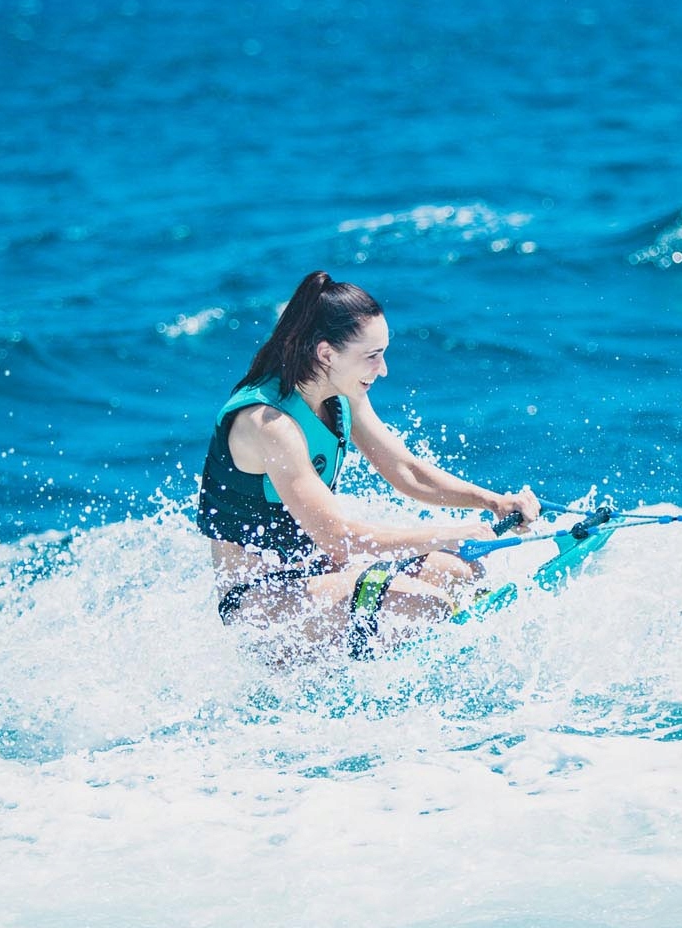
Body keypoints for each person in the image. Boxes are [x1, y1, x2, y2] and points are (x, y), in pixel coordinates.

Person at [197, 270, 539, 658]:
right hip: (260, 603)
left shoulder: (338, 393)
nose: (384, 369)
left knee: (460, 573)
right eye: (372, 356)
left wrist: (494, 502)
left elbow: (407, 471)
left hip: (318, 572)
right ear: (327, 354)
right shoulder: (268, 424)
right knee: (424, 603)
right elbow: (338, 538)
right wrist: (448, 534)